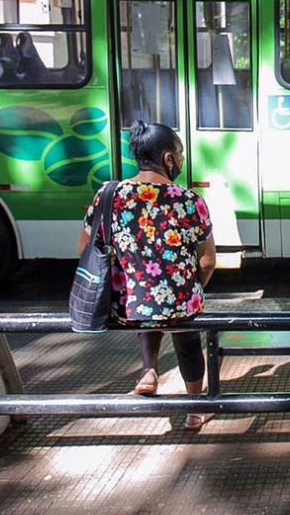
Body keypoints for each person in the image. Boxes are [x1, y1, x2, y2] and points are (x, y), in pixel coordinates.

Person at [76, 121, 217, 430]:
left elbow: (84, 246)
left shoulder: (109, 193)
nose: (181, 160)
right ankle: (194, 412)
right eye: (179, 154)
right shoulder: (189, 200)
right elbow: (207, 261)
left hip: (128, 307)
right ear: (168, 159)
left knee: (147, 300)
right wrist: (190, 289)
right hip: (178, 307)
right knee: (186, 334)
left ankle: (148, 370)